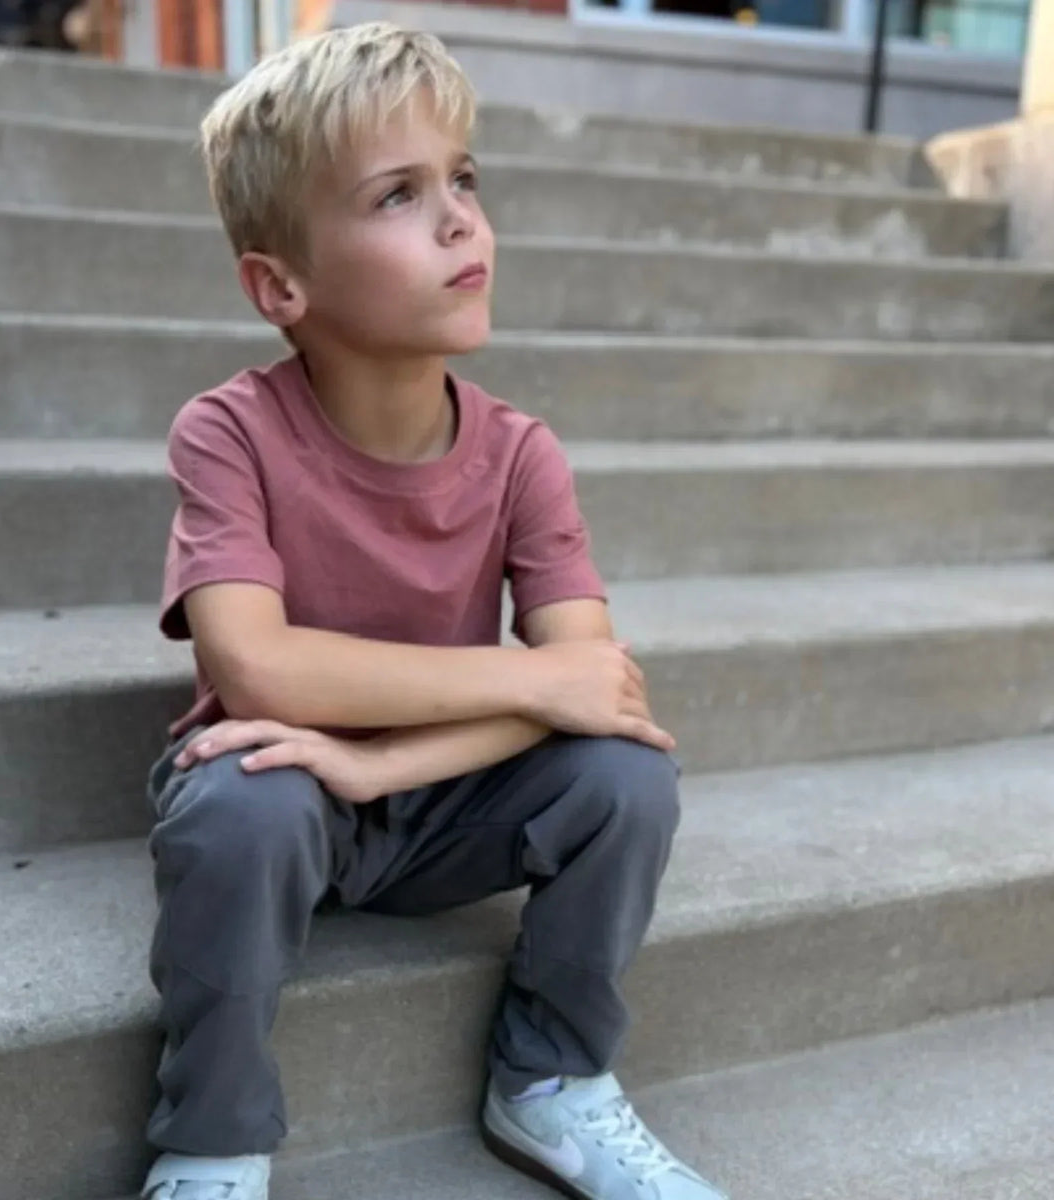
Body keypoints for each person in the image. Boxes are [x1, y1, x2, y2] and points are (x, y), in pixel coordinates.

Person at [142, 22, 728, 1200]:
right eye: (399, 195)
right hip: (282, 789)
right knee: (237, 811)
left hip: (438, 795)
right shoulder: (230, 433)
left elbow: (597, 687)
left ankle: (550, 1081)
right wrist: (521, 684)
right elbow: (258, 669)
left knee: (627, 781)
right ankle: (211, 1146)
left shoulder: (520, 455)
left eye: (463, 179)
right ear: (281, 286)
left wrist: (391, 763)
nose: (460, 218)